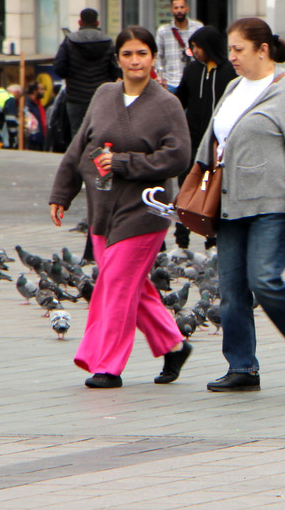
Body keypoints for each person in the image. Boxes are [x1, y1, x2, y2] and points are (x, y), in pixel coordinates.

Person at [48, 26, 193, 389]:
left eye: (142, 53)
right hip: (102, 209)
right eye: (127, 54)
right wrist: (61, 193)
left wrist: (126, 163)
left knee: (114, 285)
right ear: (118, 59)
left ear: (153, 58)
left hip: (145, 209)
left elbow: (178, 156)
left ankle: (107, 365)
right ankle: (173, 344)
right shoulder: (104, 94)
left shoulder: (167, 104)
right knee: (130, 285)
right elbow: (80, 146)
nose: (135, 61)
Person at [198, 17, 285, 392]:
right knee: (232, 289)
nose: (232, 57)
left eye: (239, 50)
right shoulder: (235, 86)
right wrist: (195, 176)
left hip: (273, 204)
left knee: (264, 278)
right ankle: (242, 368)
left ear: (263, 49)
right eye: (231, 50)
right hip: (230, 202)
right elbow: (214, 136)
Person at [174, 25, 236, 250]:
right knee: (186, 185)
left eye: (198, 46)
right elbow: (180, 98)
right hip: (191, 138)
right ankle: (182, 239)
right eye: (193, 47)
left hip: (218, 142)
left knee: (215, 189)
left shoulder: (230, 72)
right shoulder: (191, 70)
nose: (195, 51)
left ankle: (213, 237)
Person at [53, 8, 121, 138]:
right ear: (97, 23)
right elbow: (116, 70)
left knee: (77, 133)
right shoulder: (107, 42)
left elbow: (59, 68)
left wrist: (71, 74)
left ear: (80, 22)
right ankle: (96, 158)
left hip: (75, 97)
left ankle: (79, 158)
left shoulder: (69, 41)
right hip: (101, 97)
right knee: (100, 133)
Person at [156, 0, 204, 93]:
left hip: (193, 80)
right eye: (176, 8)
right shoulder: (163, 31)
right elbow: (158, 56)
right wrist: (160, 76)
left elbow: (204, 53)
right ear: (171, 10)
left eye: (182, 7)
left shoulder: (198, 28)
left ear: (187, 9)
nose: (179, 11)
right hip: (170, 82)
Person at [24, 82, 47, 151]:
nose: (44, 92)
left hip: (40, 139)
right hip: (32, 141)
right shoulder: (27, 104)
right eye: (42, 89)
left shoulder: (38, 104)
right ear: (35, 91)